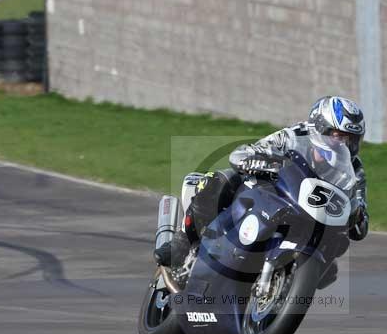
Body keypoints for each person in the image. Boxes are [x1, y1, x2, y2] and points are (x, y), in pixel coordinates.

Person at [154, 96, 370, 268]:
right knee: (221, 180)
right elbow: (242, 154)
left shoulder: (355, 171)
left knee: (338, 245)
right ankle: (181, 243)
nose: (343, 143)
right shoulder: (294, 136)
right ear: (319, 128)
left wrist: (357, 215)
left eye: (349, 139)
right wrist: (260, 163)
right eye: (337, 135)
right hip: (276, 197)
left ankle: (296, 276)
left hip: (309, 221)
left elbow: (360, 224)